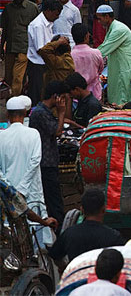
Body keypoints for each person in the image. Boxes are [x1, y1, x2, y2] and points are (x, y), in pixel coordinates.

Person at [49, 188, 124, 264]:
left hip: (77, 275)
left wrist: (65, 268)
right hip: (104, 275)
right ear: (103, 210)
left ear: (82, 210)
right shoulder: (114, 237)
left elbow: (54, 255)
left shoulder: (69, 234)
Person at [29, 80, 68, 222]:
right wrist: (62, 112)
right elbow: (57, 131)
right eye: (63, 98)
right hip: (46, 162)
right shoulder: (40, 113)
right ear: (55, 97)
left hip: (48, 160)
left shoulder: (43, 112)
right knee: (53, 199)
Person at [0, 95, 44, 220]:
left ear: (7, 115)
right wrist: (22, 189)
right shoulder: (33, 134)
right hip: (29, 191)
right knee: (34, 230)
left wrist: (11, 189)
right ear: (25, 113)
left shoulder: (1, 136)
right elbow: (35, 162)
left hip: (8, 193)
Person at [95, 5, 131, 107]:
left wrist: (87, 55)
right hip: (121, 65)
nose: (99, 22)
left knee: (126, 98)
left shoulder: (118, 29)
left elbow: (104, 49)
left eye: (100, 18)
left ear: (107, 17)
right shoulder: (111, 28)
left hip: (129, 66)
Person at [1, 0, 39, 95]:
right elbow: (5, 30)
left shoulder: (33, 8)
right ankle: (14, 99)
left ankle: (15, 101)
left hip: (24, 48)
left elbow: (37, 30)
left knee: (18, 77)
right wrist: (1, 46)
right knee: (8, 78)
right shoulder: (8, 9)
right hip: (10, 48)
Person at [26, 0, 61, 104]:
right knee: (37, 93)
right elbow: (41, 49)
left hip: (44, 64)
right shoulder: (38, 25)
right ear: (48, 11)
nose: (57, 17)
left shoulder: (48, 23)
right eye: (56, 14)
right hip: (38, 65)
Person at [70, 23, 104, 101]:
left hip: (76, 96)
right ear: (86, 36)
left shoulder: (70, 55)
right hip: (95, 94)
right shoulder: (96, 53)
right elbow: (100, 69)